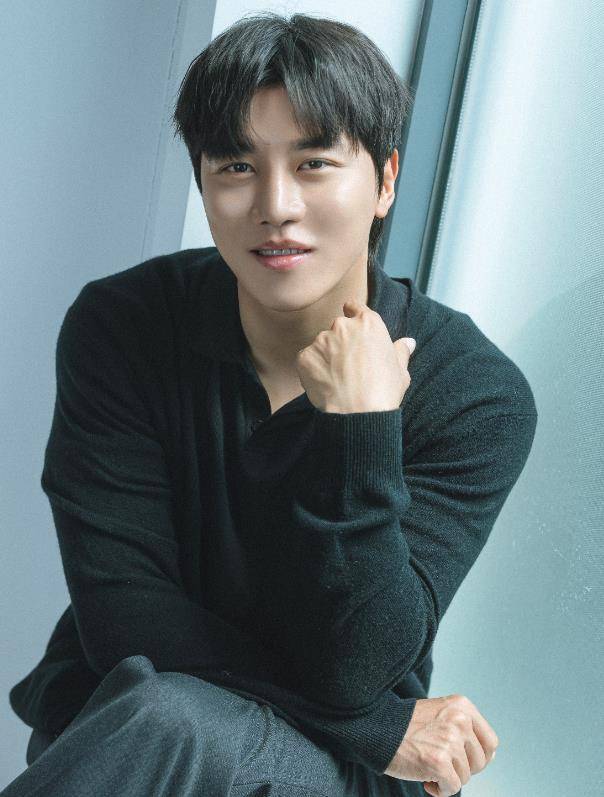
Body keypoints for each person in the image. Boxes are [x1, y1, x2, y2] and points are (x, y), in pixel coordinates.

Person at [3, 11, 537, 797]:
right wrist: (381, 728)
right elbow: (126, 618)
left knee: (172, 718)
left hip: (317, 771)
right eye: (236, 166)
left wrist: (361, 431)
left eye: (315, 163)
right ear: (203, 182)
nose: (276, 205)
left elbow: (359, 661)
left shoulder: (473, 394)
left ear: (387, 179)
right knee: (164, 713)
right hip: (131, 727)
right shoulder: (125, 327)